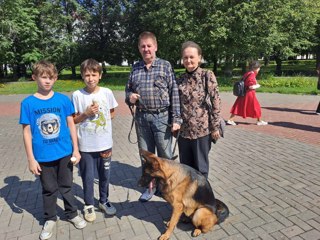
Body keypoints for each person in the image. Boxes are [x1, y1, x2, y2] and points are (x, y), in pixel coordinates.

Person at [19, 60, 86, 240]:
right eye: (43, 77)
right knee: (49, 189)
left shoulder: (63, 100)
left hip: (64, 152)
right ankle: (49, 218)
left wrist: (76, 150)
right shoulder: (28, 103)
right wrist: (31, 159)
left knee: (66, 186)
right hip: (42, 156)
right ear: (35, 77)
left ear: (55, 78)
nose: (47, 81)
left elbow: (72, 125)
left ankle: (72, 213)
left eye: (51, 77)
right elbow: (26, 132)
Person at [125, 31, 182, 202]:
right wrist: (130, 97)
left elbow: (174, 94)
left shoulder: (165, 65)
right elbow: (127, 90)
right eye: (143, 46)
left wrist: (176, 119)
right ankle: (151, 187)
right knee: (147, 156)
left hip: (162, 118)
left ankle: (169, 186)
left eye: (149, 46)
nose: (146, 49)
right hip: (141, 119)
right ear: (139, 49)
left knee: (165, 155)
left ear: (155, 47)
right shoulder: (135, 68)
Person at [71, 59, 118, 222]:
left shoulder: (107, 92)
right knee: (88, 177)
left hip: (105, 144)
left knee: (105, 175)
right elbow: (74, 120)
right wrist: (86, 114)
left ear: (100, 75)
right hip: (86, 146)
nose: (90, 78)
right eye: (87, 75)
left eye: (94, 74)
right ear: (82, 76)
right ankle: (88, 204)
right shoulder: (77, 95)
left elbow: (112, 113)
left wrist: (101, 121)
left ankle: (104, 201)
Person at [176, 41, 222, 178]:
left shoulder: (207, 75)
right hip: (183, 132)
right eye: (185, 57)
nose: (188, 60)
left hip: (202, 131)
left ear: (199, 58)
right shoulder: (179, 79)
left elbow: (216, 101)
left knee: (201, 169)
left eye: (192, 57)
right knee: (185, 168)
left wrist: (215, 127)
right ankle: (188, 197)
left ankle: (202, 198)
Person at [227, 60, 268, 126]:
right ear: (255, 68)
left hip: (243, 93)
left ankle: (230, 119)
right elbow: (251, 86)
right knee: (256, 107)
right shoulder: (252, 75)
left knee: (238, 106)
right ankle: (259, 121)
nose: (259, 69)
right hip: (249, 94)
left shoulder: (248, 73)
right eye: (259, 68)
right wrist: (258, 86)